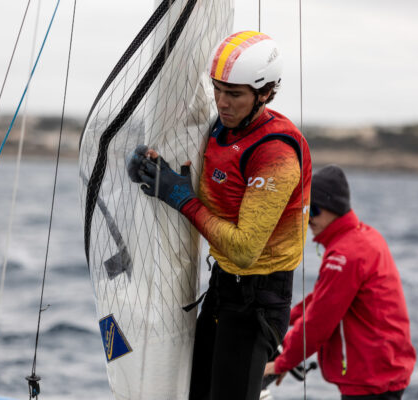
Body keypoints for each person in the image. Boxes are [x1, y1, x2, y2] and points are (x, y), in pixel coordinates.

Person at [127, 31, 312, 400]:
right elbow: (187, 161)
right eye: (218, 89)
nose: (222, 103)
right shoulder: (220, 127)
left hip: (258, 298)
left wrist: (180, 198)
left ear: (264, 93)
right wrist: (144, 166)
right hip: (223, 287)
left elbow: (245, 249)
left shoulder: (275, 152)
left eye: (235, 94)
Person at [264, 165, 416, 400]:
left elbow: (319, 321)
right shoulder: (363, 237)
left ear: (334, 208)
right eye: (306, 209)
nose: (308, 217)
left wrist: (282, 363)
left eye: (314, 209)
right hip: (384, 371)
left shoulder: (345, 255)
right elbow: (323, 299)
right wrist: (286, 325)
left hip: (370, 380)